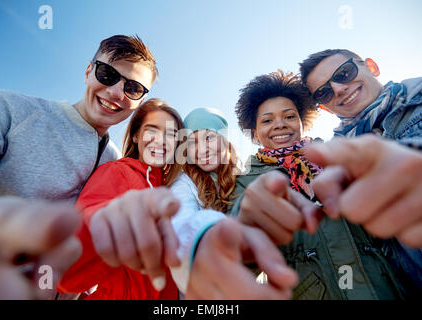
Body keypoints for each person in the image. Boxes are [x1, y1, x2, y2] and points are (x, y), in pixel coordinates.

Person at [187, 70, 416, 299]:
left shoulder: (337, 156)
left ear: (301, 121)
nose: (279, 125)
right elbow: (239, 264)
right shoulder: (247, 184)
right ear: (255, 133)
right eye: (267, 120)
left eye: (289, 116)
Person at [0, 34, 158, 299]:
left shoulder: (117, 166)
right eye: (107, 74)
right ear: (88, 71)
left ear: (139, 101)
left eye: (133, 88)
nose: (116, 92)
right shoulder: (7, 110)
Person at [299, 49, 422, 291]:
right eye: (324, 92)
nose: (339, 89)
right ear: (324, 108)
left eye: (344, 73)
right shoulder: (331, 166)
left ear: (371, 66)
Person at [58, 99, 185, 299]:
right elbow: (68, 272)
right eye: (152, 130)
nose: (161, 140)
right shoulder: (118, 172)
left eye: (171, 134)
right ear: (136, 136)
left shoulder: (175, 192)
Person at [170, 107, 299, 299]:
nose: (202, 149)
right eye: (192, 142)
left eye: (209, 138)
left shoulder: (244, 175)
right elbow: (183, 222)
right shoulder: (184, 182)